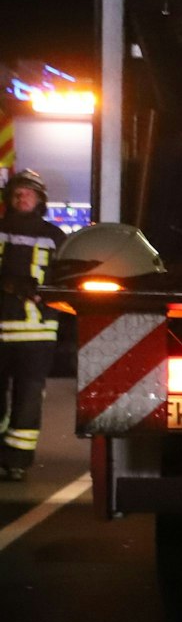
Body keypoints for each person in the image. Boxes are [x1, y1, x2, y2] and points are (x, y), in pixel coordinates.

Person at [0, 170, 67, 481]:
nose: (21, 196)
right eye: (17, 192)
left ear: (40, 199)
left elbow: (67, 280)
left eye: (28, 192)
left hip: (37, 335)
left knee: (28, 397)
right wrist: (14, 284)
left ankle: (17, 461)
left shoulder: (56, 238)